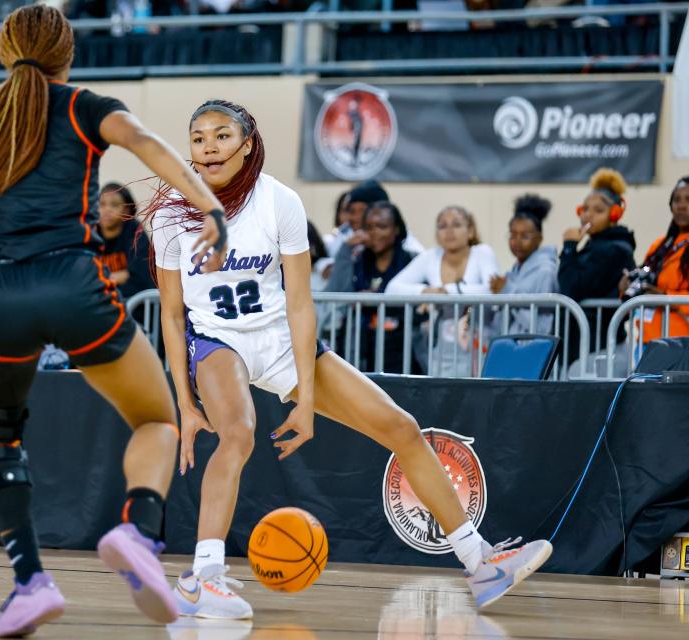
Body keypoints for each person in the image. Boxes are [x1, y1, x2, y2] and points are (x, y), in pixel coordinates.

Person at [149, 99, 550, 620]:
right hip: (218, 340)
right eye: (199, 137)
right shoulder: (170, 214)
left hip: (281, 340)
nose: (209, 146)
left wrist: (308, 398)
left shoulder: (280, 202)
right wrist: (185, 401)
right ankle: (203, 577)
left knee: (402, 428)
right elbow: (173, 316)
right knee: (239, 432)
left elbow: (299, 303)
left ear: (247, 145)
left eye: (222, 136)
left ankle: (481, 563)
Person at [0, 6, 227, 637]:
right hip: (73, 284)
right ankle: (138, 531)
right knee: (156, 418)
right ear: (68, 55)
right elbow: (146, 143)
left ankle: (30, 581)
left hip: (2, 294)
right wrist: (208, 205)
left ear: (6, 54)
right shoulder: (85, 106)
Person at [386, 206, 499, 377]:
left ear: (470, 231)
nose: (449, 231)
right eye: (442, 226)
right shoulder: (430, 256)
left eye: (456, 225)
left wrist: (447, 292)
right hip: (442, 347)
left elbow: (492, 290)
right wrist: (425, 291)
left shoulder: (483, 253)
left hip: (480, 342)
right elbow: (391, 289)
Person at [558, 168, 636, 372]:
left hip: (598, 348)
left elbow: (571, 288)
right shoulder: (595, 246)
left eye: (598, 210)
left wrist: (568, 248)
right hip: (585, 344)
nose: (588, 215)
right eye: (584, 209)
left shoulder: (614, 250)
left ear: (615, 214)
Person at [328, 201, 419, 372]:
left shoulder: (412, 261)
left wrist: (376, 297)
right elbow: (335, 292)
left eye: (381, 226)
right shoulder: (357, 260)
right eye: (369, 227)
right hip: (360, 351)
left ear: (397, 229)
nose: (374, 233)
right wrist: (347, 247)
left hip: (402, 354)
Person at [623, 176, 689, 344]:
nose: (681, 206)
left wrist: (665, 297)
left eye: (688, 200)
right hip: (648, 339)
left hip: (681, 343)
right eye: (676, 200)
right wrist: (626, 287)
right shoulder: (659, 245)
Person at [490, 194, 559, 335]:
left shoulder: (545, 271)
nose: (517, 242)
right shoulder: (515, 271)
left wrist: (508, 291)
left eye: (525, 236)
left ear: (539, 237)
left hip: (532, 351)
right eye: (512, 235)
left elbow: (542, 327)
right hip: (512, 348)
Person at [98, 182, 156, 300]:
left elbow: (142, 280)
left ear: (127, 209)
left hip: (134, 309)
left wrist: (101, 280)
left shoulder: (135, 232)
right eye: (102, 204)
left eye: (114, 205)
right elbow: (81, 279)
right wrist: (119, 276)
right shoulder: (90, 233)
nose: (107, 210)